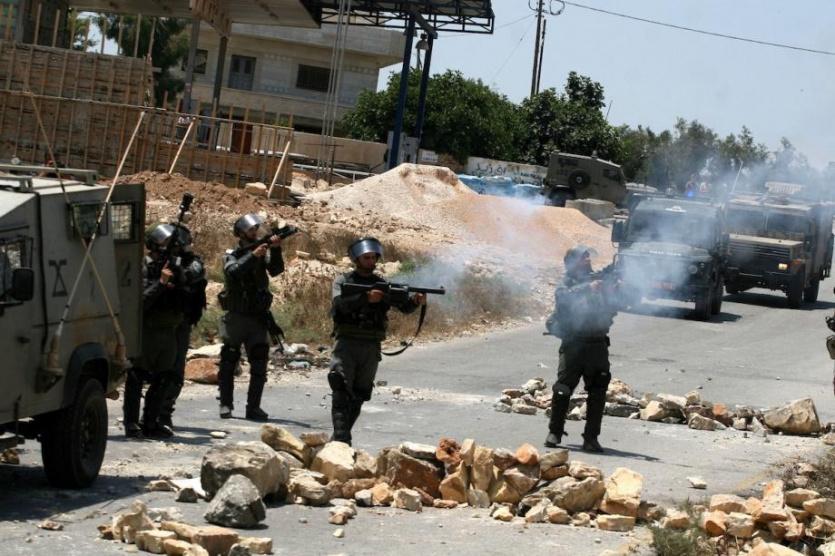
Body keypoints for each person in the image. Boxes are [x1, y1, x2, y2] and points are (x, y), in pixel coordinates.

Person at [328, 237, 426, 445]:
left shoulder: (383, 285)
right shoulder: (343, 281)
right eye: (367, 258)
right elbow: (338, 306)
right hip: (347, 343)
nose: (371, 261)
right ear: (356, 259)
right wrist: (365, 298)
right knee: (340, 387)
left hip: (371, 346)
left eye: (374, 257)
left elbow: (404, 307)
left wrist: (416, 301)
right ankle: (342, 439)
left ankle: (339, 439)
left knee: (360, 393)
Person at [545, 246, 619, 453]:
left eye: (588, 256)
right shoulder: (568, 282)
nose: (588, 259)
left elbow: (614, 307)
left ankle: (591, 437)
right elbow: (562, 298)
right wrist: (588, 288)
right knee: (563, 388)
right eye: (583, 257)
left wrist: (613, 292)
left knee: (598, 390)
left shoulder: (599, 280)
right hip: (574, 343)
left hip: (597, 343)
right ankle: (555, 431)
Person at [123, 224, 188, 439]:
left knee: (165, 377)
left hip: (169, 331)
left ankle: (151, 422)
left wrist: (178, 280)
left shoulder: (175, 267)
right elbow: (141, 301)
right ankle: (131, 423)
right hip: (147, 331)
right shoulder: (144, 267)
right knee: (136, 376)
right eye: (165, 244)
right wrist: (161, 283)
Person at [217, 213, 284, 421]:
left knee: (259, 361)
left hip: (257, 316)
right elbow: (233, 272)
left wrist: (276, 249)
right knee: (229, 360)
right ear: (240, 233)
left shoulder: (261, 252)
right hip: (237, 315)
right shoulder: (232, 254)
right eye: (250, 229)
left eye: (256, 229)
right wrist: (253, 255)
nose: (254, 232)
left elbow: (276, 270)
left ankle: (253, 407)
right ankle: (225, 404)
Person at [159, 225, 207, 430]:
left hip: (180, 323)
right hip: (154, 323)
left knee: (175, 369)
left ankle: (164, 412)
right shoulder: (157, 261)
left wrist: (175, 267)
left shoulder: (192, 263)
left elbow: (191, 276)